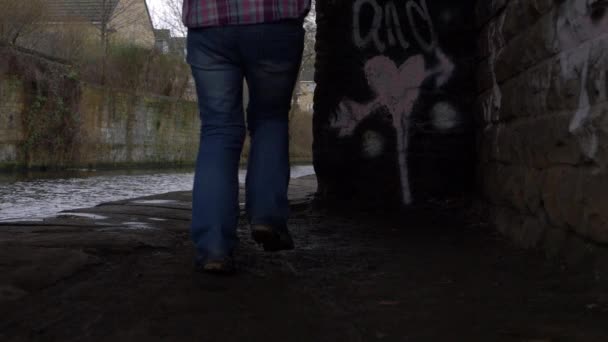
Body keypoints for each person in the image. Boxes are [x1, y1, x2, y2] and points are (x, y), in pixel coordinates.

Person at [182, 0, 311, 274]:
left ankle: (213, 247)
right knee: (270, 119)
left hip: (209, 26)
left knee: (218, 129)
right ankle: (267, 216)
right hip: (275, 22)